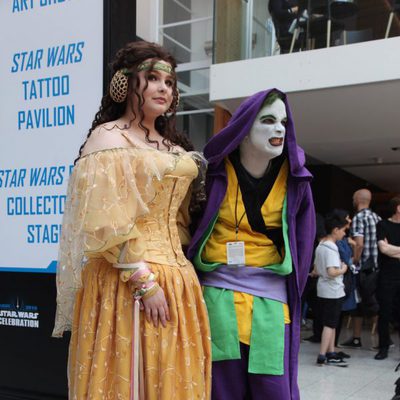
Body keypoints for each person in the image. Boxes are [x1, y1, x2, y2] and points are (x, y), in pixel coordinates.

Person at [52, 41, 211, 400]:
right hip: (126, 280)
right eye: (152, 78)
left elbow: (182, 219)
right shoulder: (108, 138)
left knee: (171, 380)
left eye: (169, 83)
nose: (163, 88)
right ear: (124, 84)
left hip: (178, 280)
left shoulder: (173, 147)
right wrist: (145, 283)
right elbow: (102, 221)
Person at [187, 89, 315, 399]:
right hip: (218, 298)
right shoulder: (212, 175)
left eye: (283, 122)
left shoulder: (296, 181)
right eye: (268, 121)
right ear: (243, 131)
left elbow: (304, 240)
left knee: (272, 390)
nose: (279, 129)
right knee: (222, 389)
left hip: (270, 304)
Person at [340, 188, 381, 349]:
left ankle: (356, 338)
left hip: (363, 267)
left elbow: (359, 243)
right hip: (376, 268)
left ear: (357, 199)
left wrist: (354, 260)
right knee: (373, 303)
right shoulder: (376, 217)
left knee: (358, 303)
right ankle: (379, 339)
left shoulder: (358, 218)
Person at [314, 210, 349, 366]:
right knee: (329, 324)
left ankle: (331, 352)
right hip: (332, 291)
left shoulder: (321, 245)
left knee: (331, 322)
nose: (344, 233)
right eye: (343, 230)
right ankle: (323, 355)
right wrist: (343, 269)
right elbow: (332, 271)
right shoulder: (331, 247)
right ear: (335, 230)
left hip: (323, 288)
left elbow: (316, 269)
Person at [374, 196, 400, 360]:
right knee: (384, 313)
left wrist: (393, 249)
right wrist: (389, 249)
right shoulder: (382, 225)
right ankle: (383, 348)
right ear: (398, 208)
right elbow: (383, 249)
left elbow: (388, 248)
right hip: (387, 277)